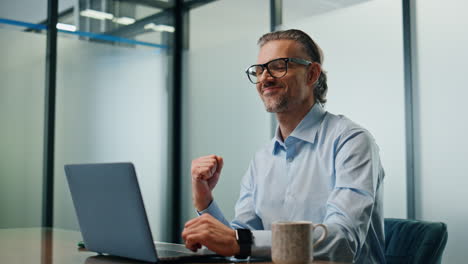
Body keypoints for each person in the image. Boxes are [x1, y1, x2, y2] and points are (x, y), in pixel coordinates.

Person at [181, 29, 385, 263]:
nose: (265, 78)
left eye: (278, 66)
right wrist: (204, 201)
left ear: (311, 74)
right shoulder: (262, 159)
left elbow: (342, 242)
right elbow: (240, 246)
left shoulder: (351, 141)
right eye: (259, 71)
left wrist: (241, 242)